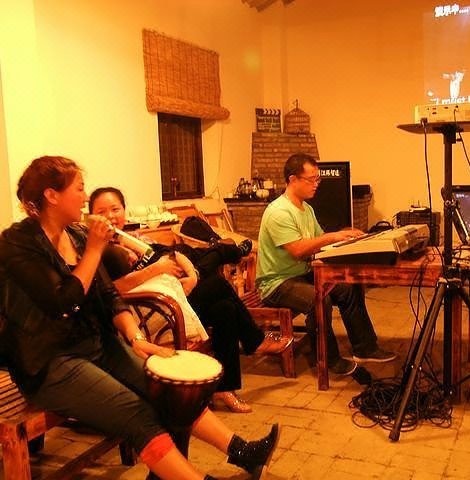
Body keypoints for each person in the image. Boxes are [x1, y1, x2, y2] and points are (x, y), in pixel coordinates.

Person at [0, 156, 279, 480]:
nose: (85, 196)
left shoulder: (75, 234)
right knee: (139, 413)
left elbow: (108, 294)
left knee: (171, 391)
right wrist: (95, 250)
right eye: (79, 189)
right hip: (49, 363)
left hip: (96, 345)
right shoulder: (16, 244)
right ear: (52, 195)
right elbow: (60, 302)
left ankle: (242, 451)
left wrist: (137, 338)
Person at [89, 187, 292, 414]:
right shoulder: (96, 250)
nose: (110, 216)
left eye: (115, 209)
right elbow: (110, 290)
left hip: (174, 298)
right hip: (151, 312)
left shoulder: (132, 238)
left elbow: (173, 255)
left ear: (124, 211)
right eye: (101, 212)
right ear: (91, 217)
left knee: (224, 308)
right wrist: (156, 269)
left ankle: (224, 388)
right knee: (217, 284)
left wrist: (192, 278)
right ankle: (254, 340)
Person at [256, 153, 396, 376]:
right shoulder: (278, 212)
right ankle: (327, 360)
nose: (316, 184)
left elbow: (319, 241)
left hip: (301, 274)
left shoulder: (306, 209)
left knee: (348, 288)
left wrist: (345, 236)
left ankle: (365, 348)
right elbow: (298, 250)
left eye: (317, 179)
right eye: (311, 179)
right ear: (293, 180)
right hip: (277, 283)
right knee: (319, 300)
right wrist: (332, 237)